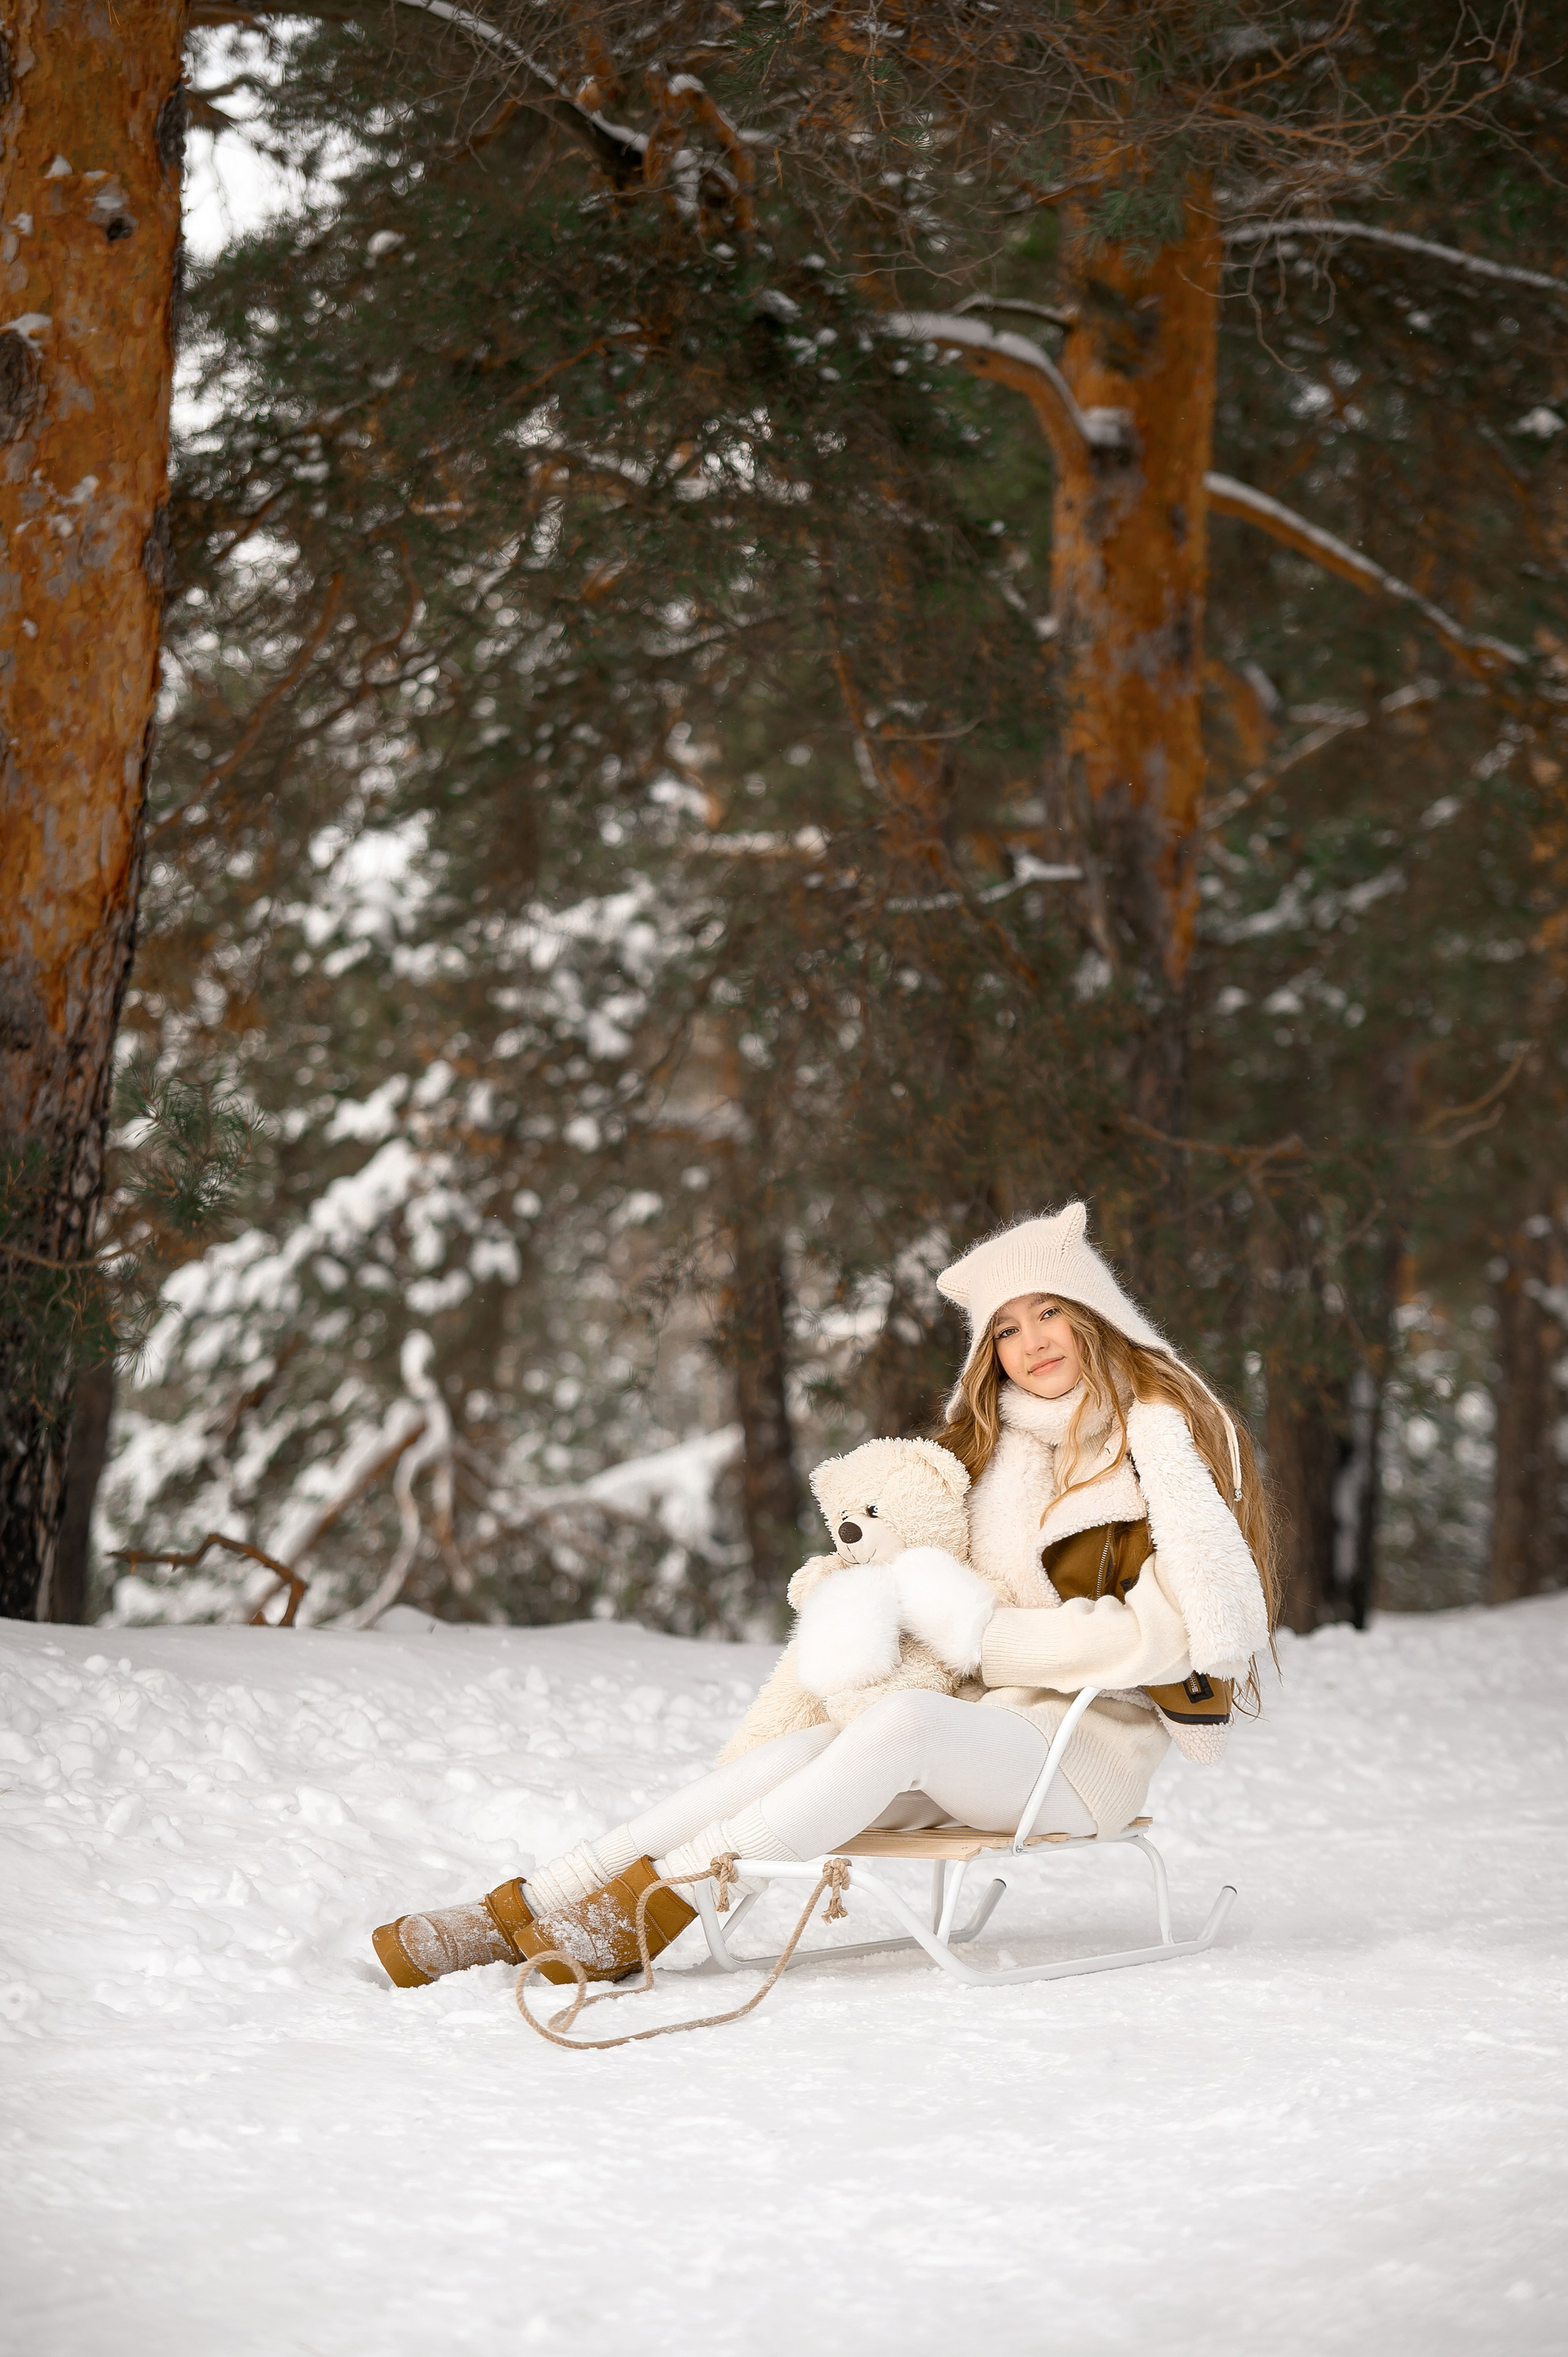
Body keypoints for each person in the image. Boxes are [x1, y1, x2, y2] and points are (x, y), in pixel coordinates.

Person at [370, 1201, 1278, 1989]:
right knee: (795, 1754)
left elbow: (1167, 1639)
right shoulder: (995, 1459)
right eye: (1006, 1328)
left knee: (903, 1727)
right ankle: (523, 1907)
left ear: (1097, 1316)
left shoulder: (1157, 1449)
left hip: (1079, 1760)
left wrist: (984, 1638)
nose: (1031, 1342)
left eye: (1050, 1313)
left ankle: (653, 1912)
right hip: (986, 1733)